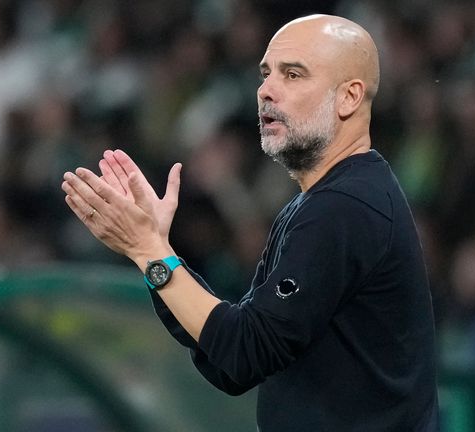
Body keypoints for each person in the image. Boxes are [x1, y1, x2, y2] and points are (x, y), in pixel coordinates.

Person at [62, 14, 439, 431]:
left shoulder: (345, 207)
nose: (266, 91)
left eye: (293, 74)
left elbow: (244, 352)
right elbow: (228, 361)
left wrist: (150, 252)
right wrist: (154, 250)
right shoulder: (320, 203)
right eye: (265, 74)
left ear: (349, 97)